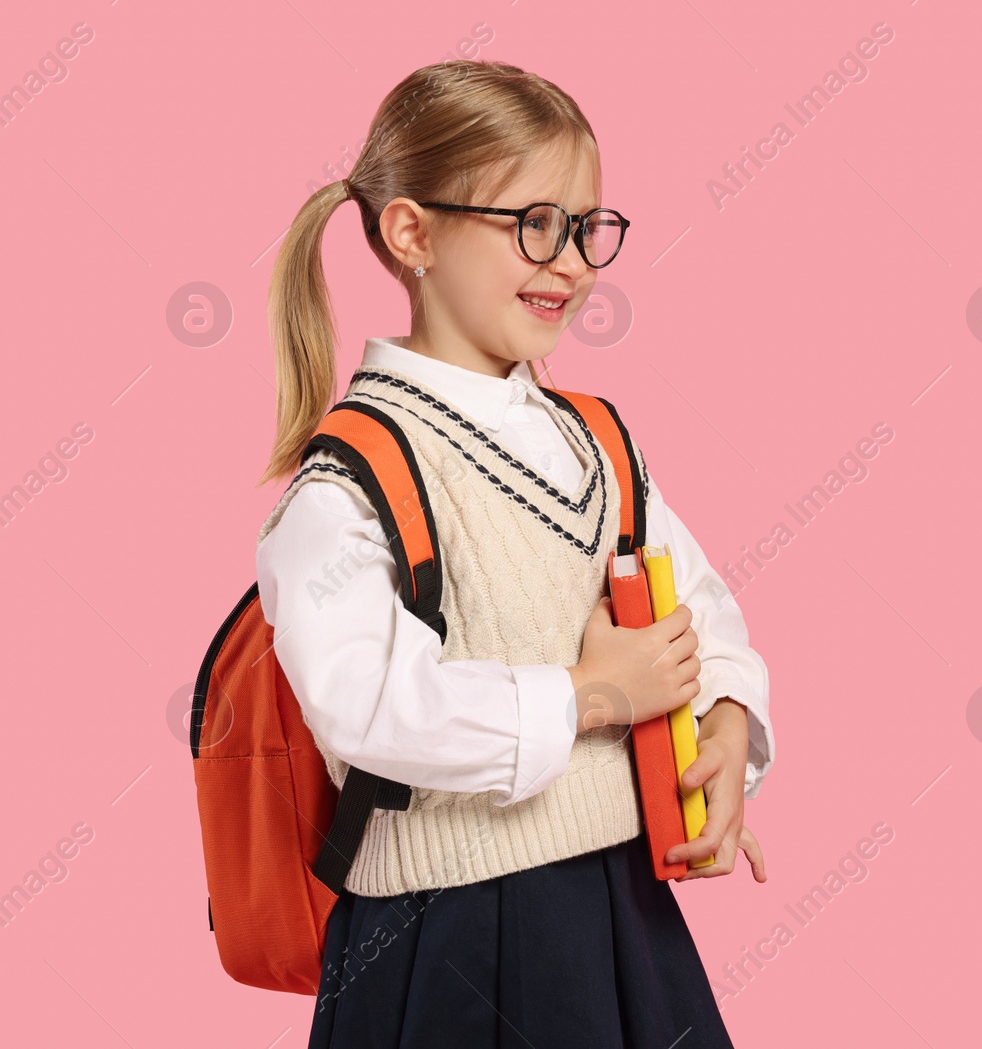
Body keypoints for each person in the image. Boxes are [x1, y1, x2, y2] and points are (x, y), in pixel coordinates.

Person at [252, 59, 773, 1048]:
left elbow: (699, 603)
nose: (570, 260)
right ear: (411, 234)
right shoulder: (352, 482)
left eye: (586, 228)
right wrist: (587, 696)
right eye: (534, 224)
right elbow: (367, 705)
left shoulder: (596, 439)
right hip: (443, 934)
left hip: (619, 908)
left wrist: (730, 716)